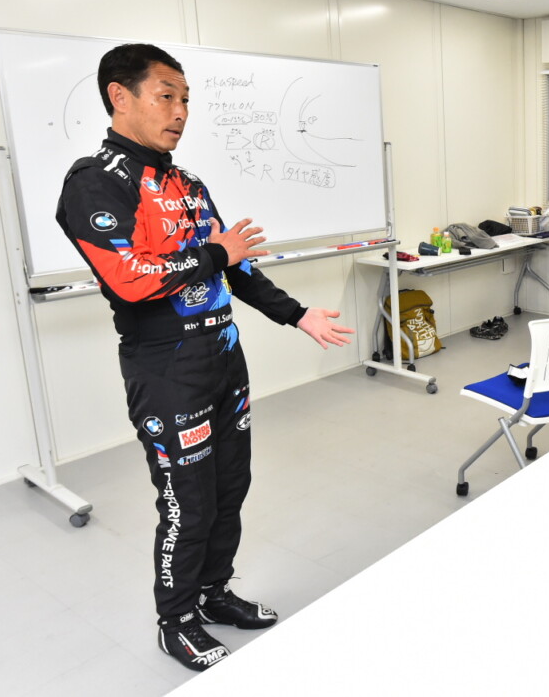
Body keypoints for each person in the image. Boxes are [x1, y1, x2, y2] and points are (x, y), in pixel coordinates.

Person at [55, 44, 355, 672]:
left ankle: (214, 593)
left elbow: (234, 267)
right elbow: (131, 279)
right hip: (167, 372)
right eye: (167, 96)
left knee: (229, 488)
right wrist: (216, 254)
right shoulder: (94, 182)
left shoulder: (187, 184)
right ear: (120, 96)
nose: (181, 111)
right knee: (186, 503)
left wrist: (297, 314)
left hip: (223, 362)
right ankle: (176, 620)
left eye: (186, 99)